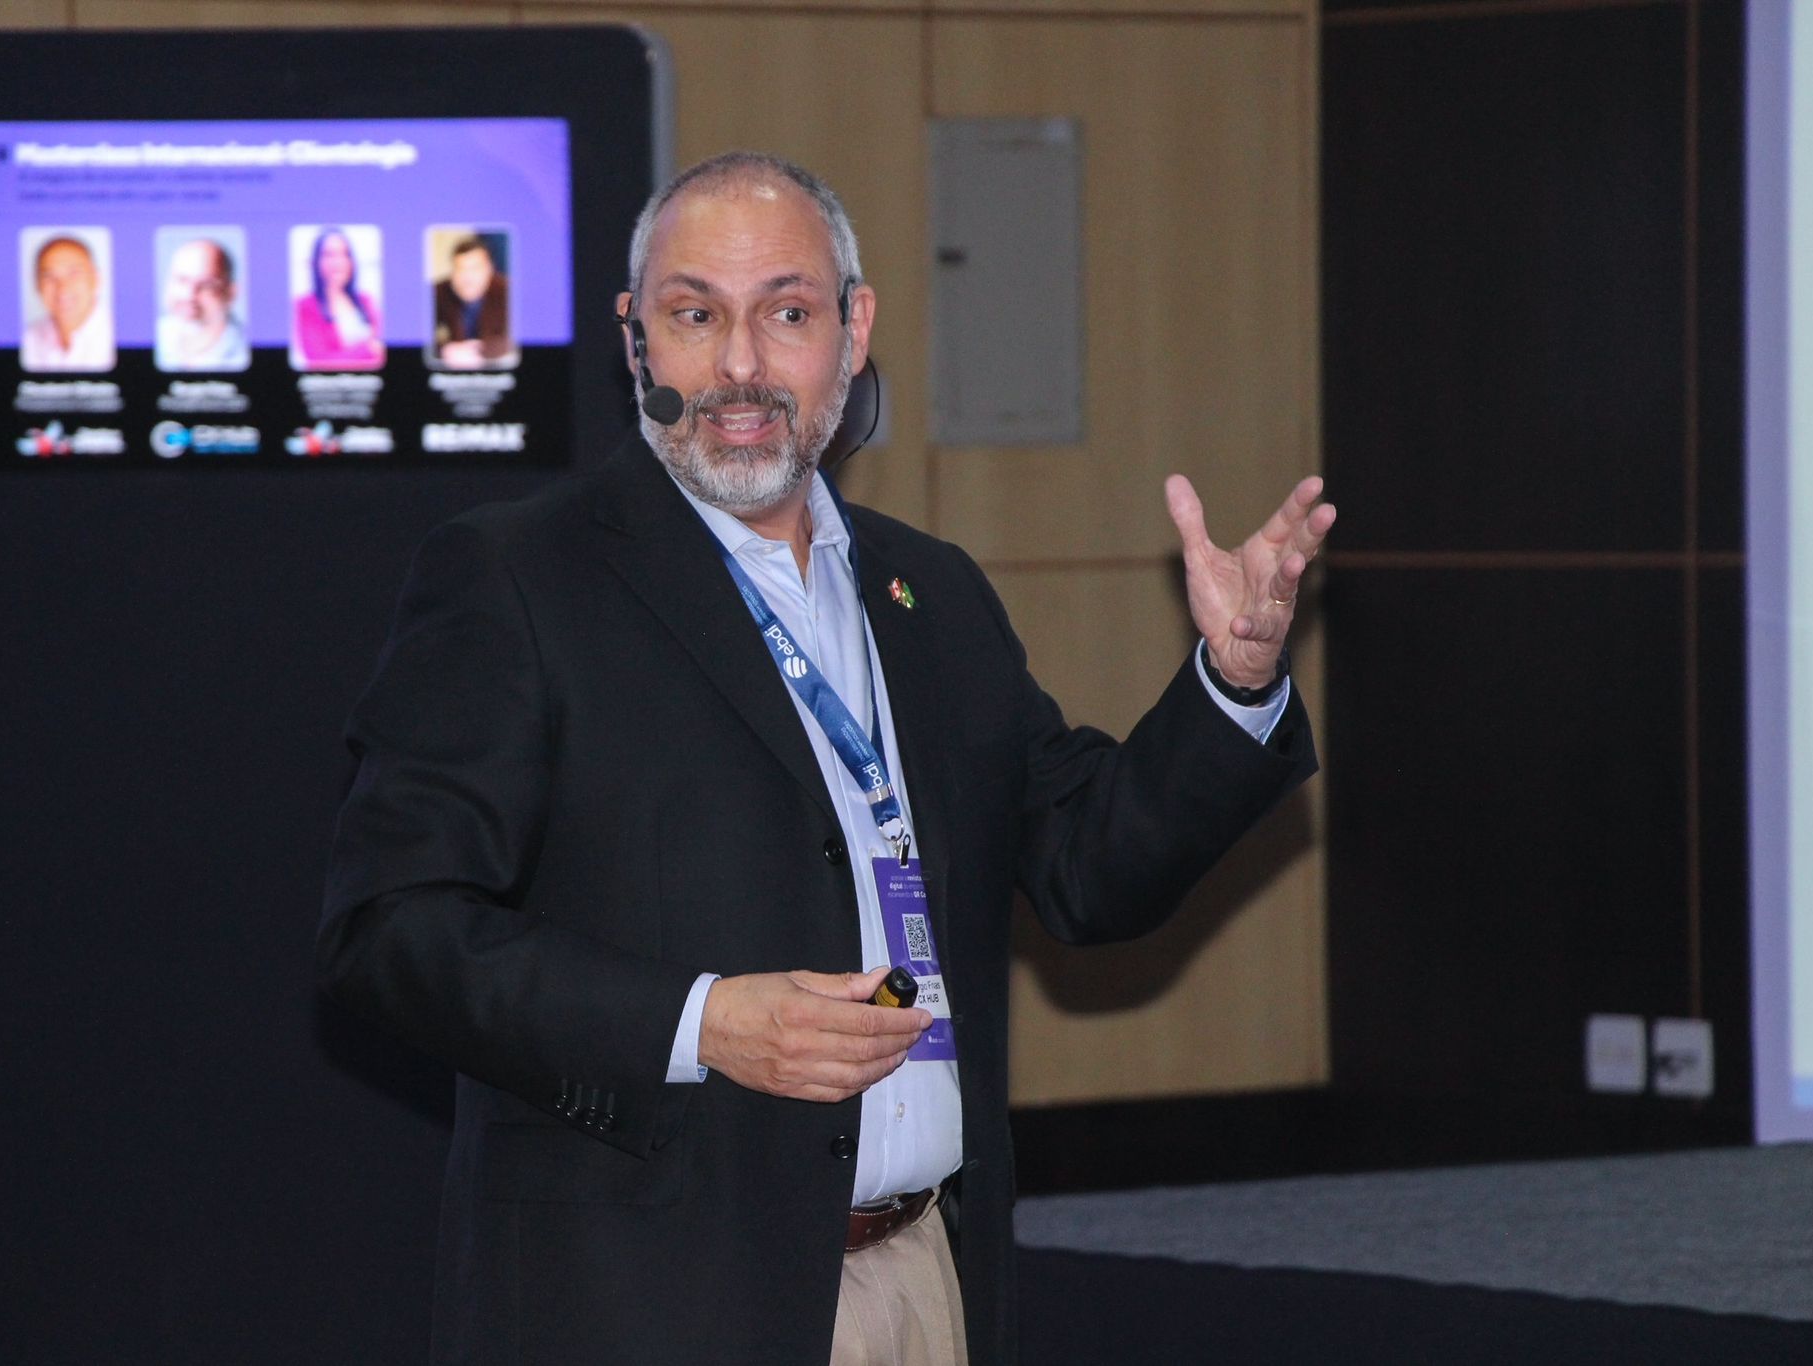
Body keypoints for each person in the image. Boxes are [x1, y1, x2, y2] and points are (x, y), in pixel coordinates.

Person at [319, 152, 1333, 1366]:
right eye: (695, 315)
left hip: (919, 1279)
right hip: (643, 1307)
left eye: (785, 314)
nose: (740, 366)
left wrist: (1234, 682)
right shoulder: (518, 580)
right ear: (633, 337)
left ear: (852, 334)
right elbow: (391, 933)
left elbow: (1086, 865)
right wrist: (701, 1022)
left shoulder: (932, 596)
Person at [293, 226, 384, 370]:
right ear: (316, 261)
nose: (338, 262)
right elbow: (318, 361)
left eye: (344, 254)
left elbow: (383, 346)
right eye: (329, 255)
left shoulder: (365, 300)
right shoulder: (305, 306)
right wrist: (368, 350)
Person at [21, 233, 113, 372]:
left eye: (74, 274)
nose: (62, 288)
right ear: (37, 285)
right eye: (49, 277)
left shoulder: (120, 335)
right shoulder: (27, 340)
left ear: (96, 279)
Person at [155, 237, 249, 372]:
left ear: (231, 292)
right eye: (182, 280)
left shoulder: (245, 350)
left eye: (206, 284)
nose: (189, 294)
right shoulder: (157, 336)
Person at [431, 234, 513, 369]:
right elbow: (418, 334)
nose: (467, 277)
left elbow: (518, 338)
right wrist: (445, 350)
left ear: (489, 269)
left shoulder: (509, 291)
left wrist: (479, 352)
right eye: (460, 269)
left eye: (475, 268)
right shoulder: (438, 292)